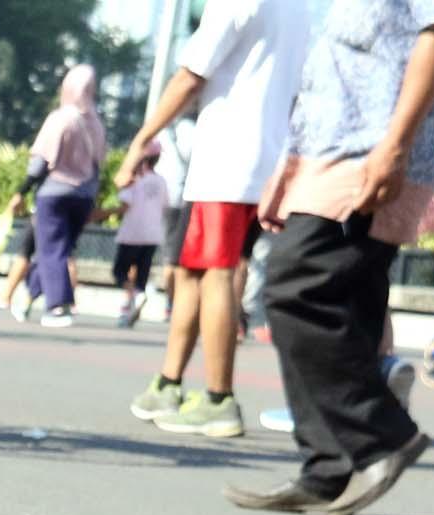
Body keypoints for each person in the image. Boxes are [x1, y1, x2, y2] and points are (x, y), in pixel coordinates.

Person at [225, 0, 434, 515]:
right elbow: (332, 76)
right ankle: (329, 467)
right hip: (330, 151)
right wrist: (289, 170)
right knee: (350, 299)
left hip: (372, 154)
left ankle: (380, 436)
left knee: (298, 285)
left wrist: (396, 147)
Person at [116, 0, 316, 439]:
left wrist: (141, 140)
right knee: (194, 271)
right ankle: (168, 383)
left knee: (215, 273)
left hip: (227, 158)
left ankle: (218, 398)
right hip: (264, 157)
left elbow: (191, 75)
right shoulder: (301, 7)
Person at [24, 64, 108, 328]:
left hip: (54, 193)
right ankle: (29, 295)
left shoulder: (60, 118)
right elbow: (98, 165)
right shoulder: (96, 124)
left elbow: (40, 162)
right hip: (84, 196)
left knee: (51, 249)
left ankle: (57, 306)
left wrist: (22, 190)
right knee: (60, 249)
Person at [112, 143, 171, 327]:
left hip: (132, 233)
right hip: (152, 235)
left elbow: (125, 204)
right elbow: (165, 205)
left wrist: (102, 213)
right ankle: (129, 308)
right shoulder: (161, 181)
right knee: (140, 275)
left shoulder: (135, 180)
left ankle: (135, 297)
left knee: (120, 272)